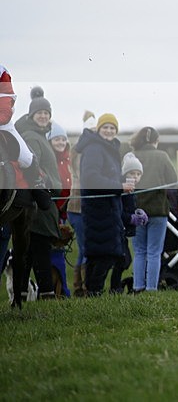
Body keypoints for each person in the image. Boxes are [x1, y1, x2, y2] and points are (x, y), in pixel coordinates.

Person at [75, 113, 134, 296]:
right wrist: (120, 187)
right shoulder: (94, 149)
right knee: (104, 256)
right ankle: (94, 294)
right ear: (99, 130)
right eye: (105, 127)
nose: (109, 131)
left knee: (103, 256)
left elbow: (108, 176)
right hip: (99, 211)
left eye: (112, 128)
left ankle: (93, 294)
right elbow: (91, 179)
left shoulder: (108, 148)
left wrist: (124, 180)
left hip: (108, 210)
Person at [15, 86, 63, 299]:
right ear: (32, 115)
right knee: (40, 252)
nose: (43, 116)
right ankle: (47, 294)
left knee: (31, 252)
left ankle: (22, 294)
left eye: (46, 113)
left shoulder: (40, 135)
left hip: (41, 202)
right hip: (38, 204)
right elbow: (33, 169)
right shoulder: (32, 137)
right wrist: (52, 184)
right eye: (39, 113)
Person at [130, 127, 177, 292]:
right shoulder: (162, 156)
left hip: (136, 210)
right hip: (158, 210)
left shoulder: (132, 156)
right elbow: (174, 180)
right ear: (156, 141)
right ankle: (151, 289)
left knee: (139, 251)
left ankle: (137, 287)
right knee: (154, 252)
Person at [67, 110, 96, 296]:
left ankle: (82, 285)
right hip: (78, 207)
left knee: (86, 248)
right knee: (85, 248)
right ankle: (82, 287)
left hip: (84, 206)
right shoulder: (79, 151)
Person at [110, 152, 147, 293]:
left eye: (138, 174)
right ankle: (115, 288)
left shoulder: (131, 189)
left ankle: (115, 288)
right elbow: (120, 210)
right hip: (118, 228)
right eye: (132, 173)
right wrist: (130, 218)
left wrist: (138, 213)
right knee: (122, 259)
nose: (135, 177)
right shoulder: (123, 189)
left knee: (124, 260)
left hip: (124, 229)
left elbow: (129, 207)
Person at [48, 122, 73, 297]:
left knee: (59, 253)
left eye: (63, 139)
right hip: (51, 212)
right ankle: (58, 291)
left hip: (62, 212)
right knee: (54, 253)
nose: (61, 142)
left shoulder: (67, 159)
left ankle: (62, 290)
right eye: (57, 139)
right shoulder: (50, 160)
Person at [0, 64, 35, 173]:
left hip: (3, 124)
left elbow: (5, 110)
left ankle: (36, 185)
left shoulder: (2, 73)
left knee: (27, 159)